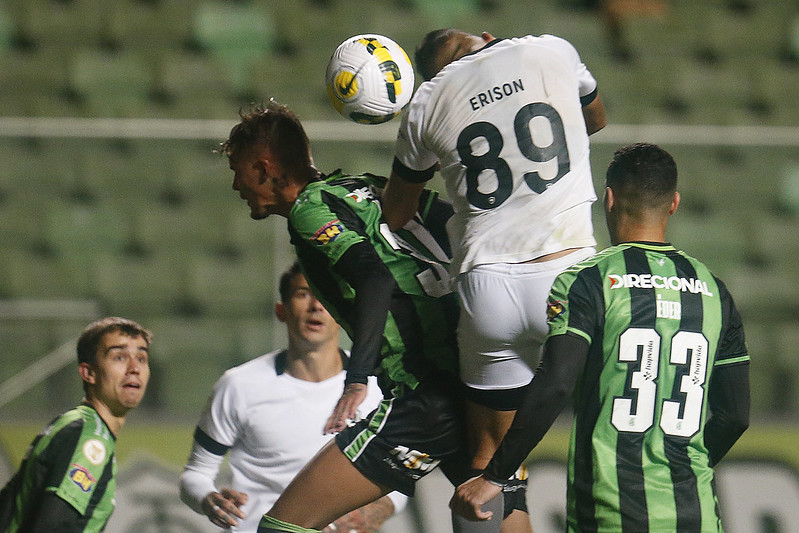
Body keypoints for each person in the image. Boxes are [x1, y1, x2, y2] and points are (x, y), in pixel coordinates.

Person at [223, 100, 506, 533]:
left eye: (237, 171)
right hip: (470, 381)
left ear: (262, 168)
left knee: (283, 527)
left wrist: (357, 379)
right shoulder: (366, 186)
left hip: (423, 395)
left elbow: (374, 278)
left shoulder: (308, 211)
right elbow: (456, 222)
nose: (235, 185)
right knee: (499, 522)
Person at [450, 143, 751, 532]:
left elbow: (557, 383)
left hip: (611, 512)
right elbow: (735, 416)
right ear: (673, 203)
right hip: (696, 514)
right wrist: (688, 468)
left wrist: (496, 475)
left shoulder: (589, 281)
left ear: (608, 199)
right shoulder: (714, 289)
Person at [381, 28, 608, 529]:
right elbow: (595, 118)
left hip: (489, 288)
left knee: (491, 466)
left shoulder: (427, 101)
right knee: (618, 432)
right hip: (571, 280)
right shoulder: (551, 48)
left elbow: (396, 214)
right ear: (484, 37)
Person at [179, 262, 406, 532]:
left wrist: (380, 509)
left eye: (325, 296)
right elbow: (196, 474)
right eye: (302, 294)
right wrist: (208, 500)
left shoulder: (378, 385)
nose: (316, 306)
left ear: (342, 312)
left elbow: (399, 469)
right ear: (281, 311)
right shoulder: (239, 385)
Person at [0, 317, 152, 532]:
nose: (134, 368)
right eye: (119, 357)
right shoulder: (90, 438)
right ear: (88, 373)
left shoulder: (73, 424)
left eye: (142, 358)